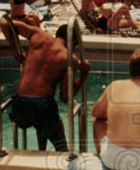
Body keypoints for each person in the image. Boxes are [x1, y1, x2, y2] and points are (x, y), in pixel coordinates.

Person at [9, 22, 89, 151]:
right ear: (73, 41)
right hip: (42, 106)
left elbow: (4, 23)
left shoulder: (38, 35)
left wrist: (15, 48)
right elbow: (65, 97)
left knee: (42, 123)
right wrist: (83, 75)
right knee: (62, 149)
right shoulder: (69, 58)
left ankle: (41, 153)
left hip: (20, 104)